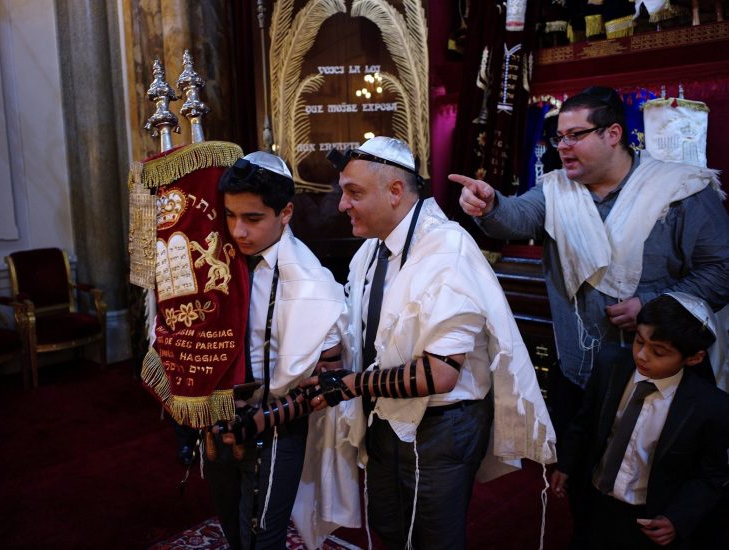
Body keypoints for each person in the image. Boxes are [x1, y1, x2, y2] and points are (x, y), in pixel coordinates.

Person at [304, 136, 555, 549]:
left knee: (432, 540)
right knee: (390, 529)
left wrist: (349, 385)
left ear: (395, 191)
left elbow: (439, 374)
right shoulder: (372, 250)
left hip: (440, 426)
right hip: (385, 414)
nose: (341, 205)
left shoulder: (447, 251)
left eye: (354, 193)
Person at [452, 86, 729, 443]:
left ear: (612, 134)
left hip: (663, 374)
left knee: (653, 484)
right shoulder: (556, 190)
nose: (563, 146)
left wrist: (653, 304)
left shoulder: (680, 190)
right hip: (579, 372)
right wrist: (490, 206)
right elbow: (517, 218)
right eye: (559, 137)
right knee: (579, 480)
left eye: (575, 135)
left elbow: (722, 269)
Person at [204, 151, 349, 550]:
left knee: (263, 536)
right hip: (217, 419)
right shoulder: (217, 261)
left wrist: (259, 420)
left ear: (285, 213)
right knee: (232, 527)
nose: (238, 230)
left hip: (278, 425)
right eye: (230, 216)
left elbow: (326, 384)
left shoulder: (312, 284)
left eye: (252, 218)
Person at [550, 294, 729, 549]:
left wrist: (676, 519)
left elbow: (711, 475)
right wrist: (566, 465)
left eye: (658, 351)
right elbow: (585, 422)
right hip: (594, 500)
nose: (642, 356)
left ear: (694, 358)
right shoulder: (610, 365)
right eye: (638, 341)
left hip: (649, 516)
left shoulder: (710, 406)